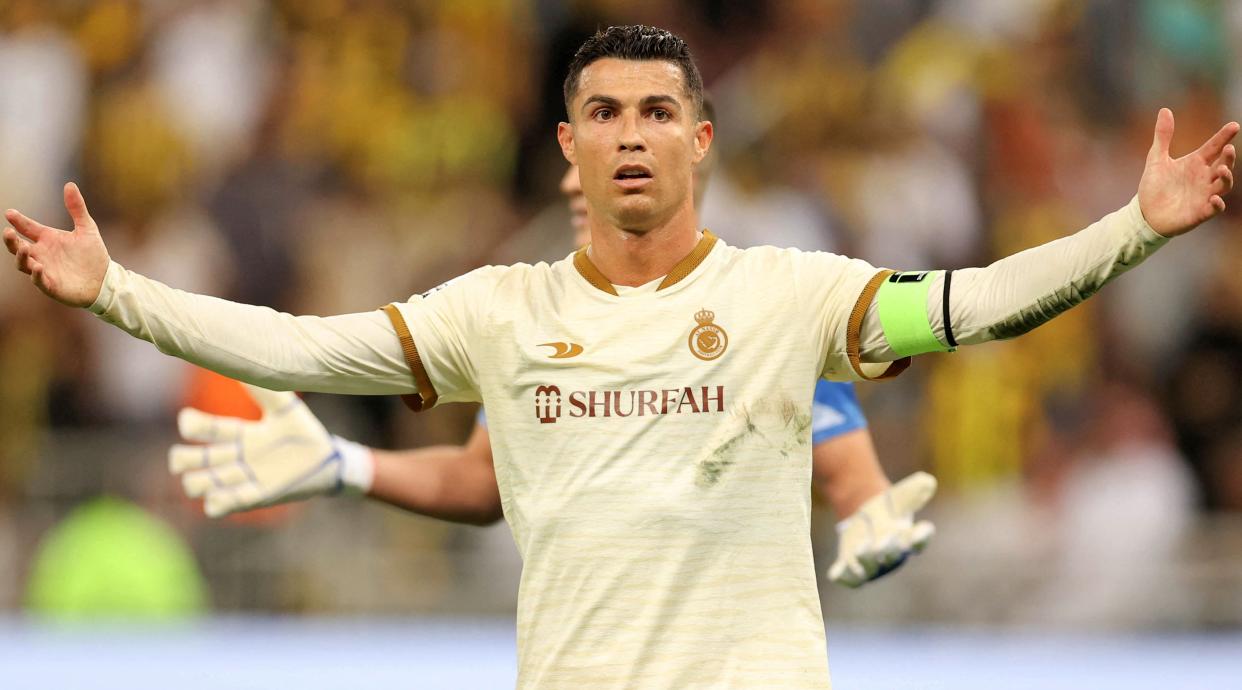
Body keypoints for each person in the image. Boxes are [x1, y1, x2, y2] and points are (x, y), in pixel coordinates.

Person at [4, 24, 1235, 690]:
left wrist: (1134, 228)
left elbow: (976, 305)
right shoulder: (498, 310)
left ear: (699, 142)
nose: (631, 136)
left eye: (656, 113)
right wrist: (114, 291)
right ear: (568, 147)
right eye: (605, 113)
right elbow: (302, 344)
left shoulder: (788, 295)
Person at [167, 157, 934, 588]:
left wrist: (869, 509)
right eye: (571, 192)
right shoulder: (538, 325)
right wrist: (346, 464)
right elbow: (479, 483)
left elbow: (842, 459)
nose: (582, 205)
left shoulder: (746, 313)